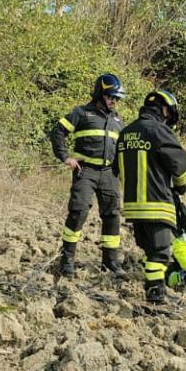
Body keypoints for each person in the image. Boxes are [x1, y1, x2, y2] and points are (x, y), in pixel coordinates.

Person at [49, 74, 127, 278]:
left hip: (110, 173)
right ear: (100, 94)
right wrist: (65, 157)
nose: (114, 101)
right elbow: (57, 131)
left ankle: (110, 262)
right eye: (111, 96)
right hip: (86, 171)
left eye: (117, 98)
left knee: (112, 216)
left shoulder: (118, 120)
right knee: (78, 212)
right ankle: (67, 259)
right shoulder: (81, 113)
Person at [118, 89, 186, 304]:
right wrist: (181, 187)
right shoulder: (159, 131)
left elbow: (116, 167)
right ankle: (156, 294)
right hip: (157, 203)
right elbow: (179, 163)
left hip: (133, 206)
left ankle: (152, 291)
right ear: (165, 109)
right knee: (160, 253)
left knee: (150, 252)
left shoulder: (126, 132)